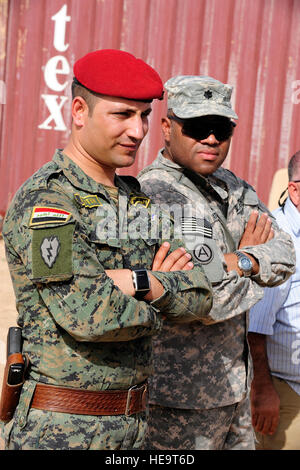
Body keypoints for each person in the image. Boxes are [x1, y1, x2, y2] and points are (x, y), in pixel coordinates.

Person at [0, 51, 213, 450]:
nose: (139, 131)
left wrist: (140, 282)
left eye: (144, 115)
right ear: (80, 111)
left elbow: (201, 294)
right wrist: (165, 297)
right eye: (123, 114)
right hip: (61, 430)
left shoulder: (138, 201)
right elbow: (89, 313)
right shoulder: (49, 202)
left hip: (134, 429)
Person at [138, 75, 295, 450]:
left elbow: (287, 254)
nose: (211, 138)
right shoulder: (153, 196)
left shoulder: (234, 186)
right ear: (167, 127)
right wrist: (254, 262)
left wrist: (236, 260)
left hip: (236, 390)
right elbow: (205, 300)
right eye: (196, 127)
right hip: (179, 402)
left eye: (221, 128)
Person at [248, 151, 300, 450]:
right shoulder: (277, 239)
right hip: (282, 391)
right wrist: (263, 390)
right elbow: (255, 326)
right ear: (294, 189)